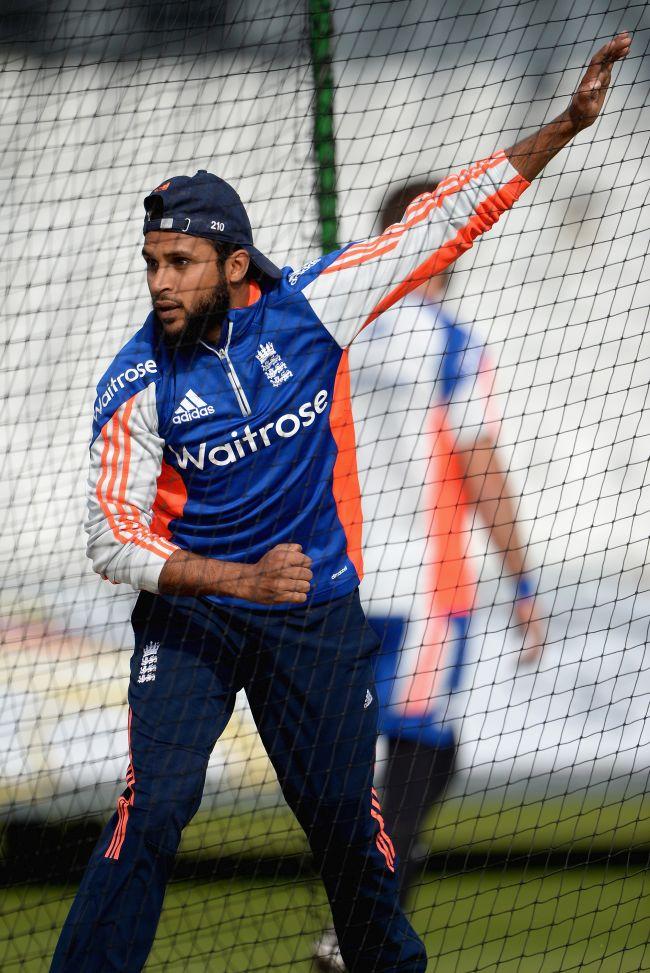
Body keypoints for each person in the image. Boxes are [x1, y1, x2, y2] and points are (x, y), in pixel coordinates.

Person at [51, 34, 630, 973]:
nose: (160, 281)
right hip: (192, 618)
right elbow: (109, 539)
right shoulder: (134, 383)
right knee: (150, 811)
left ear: (235, 267)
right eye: (152, 261)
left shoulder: (318, 307)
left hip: (313, 615)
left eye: (180, 262)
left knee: (348, 831)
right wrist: (236, 574)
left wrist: (564, 123)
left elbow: (444, 221)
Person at [312, 182, 547, 972]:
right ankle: (358, 933)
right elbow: (480, 469)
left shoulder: (329, 332)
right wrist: (522, 584)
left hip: (337, 580)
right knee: (415, 759)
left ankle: (354, 917)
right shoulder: (450, 344)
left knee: (384, 759)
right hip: (427, 587)